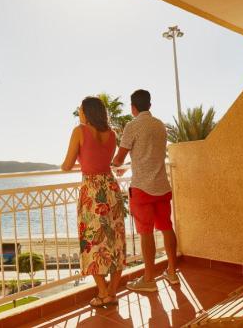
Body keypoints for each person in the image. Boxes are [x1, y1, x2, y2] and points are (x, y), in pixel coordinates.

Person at [61, 97, 126, 306]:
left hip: (92, 191)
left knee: (91, 242)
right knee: (115, 241)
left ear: (86, 112)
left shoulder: (79, 131)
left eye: (80, 109)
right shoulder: (113, 134)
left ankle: (103, 292)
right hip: (111, 189)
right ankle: (111, 293)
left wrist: (69, 163)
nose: (79, 112)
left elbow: (67, 164)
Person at [112, 89, 179, 292]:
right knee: (167, 227)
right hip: (162, 186)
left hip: (142, 188)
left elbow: (119, 159)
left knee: (146, 233)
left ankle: (149, 279)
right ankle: (172, 272)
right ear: (149, 105)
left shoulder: (132, 126)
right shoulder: (159, 125)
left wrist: (115, 163)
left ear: (133, 107)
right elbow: (150, 152)